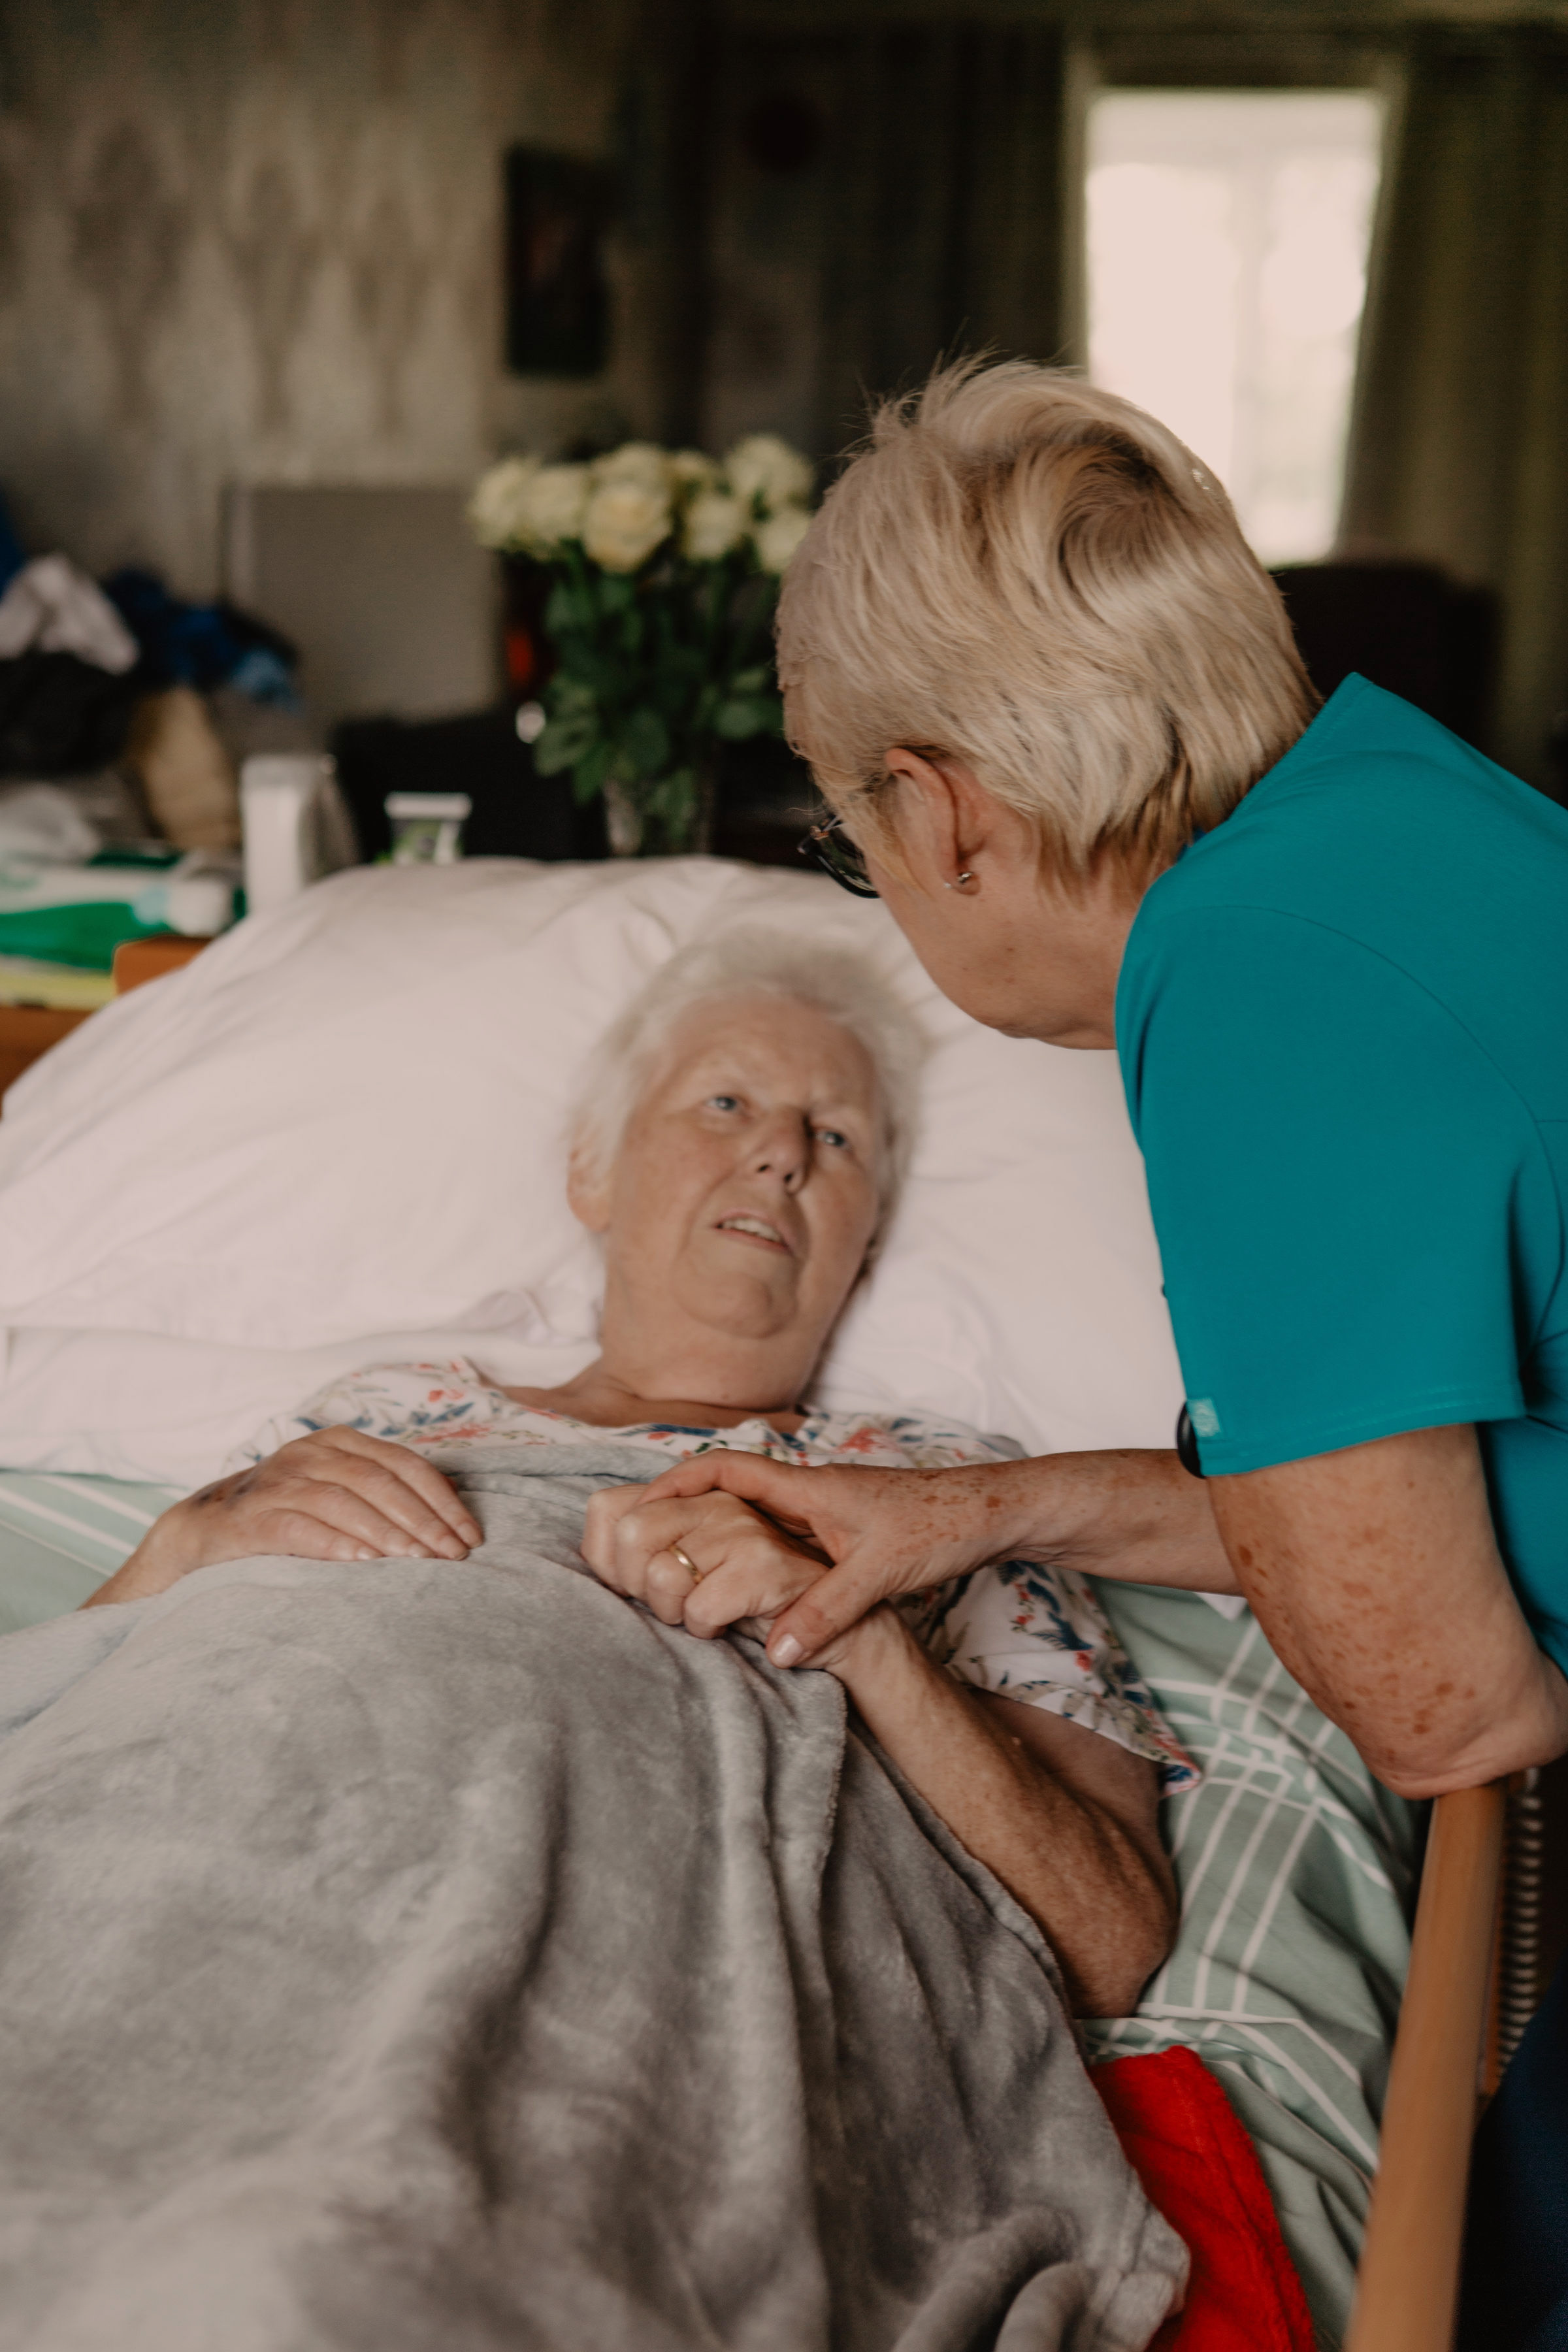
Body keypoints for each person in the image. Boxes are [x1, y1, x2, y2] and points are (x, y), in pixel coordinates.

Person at [580, 365, 1568, 2344]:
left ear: (941, 815)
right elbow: (1366, 1488)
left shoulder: (1249, 983)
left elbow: (1442, 1708)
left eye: (861, 842)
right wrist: (971, 1513)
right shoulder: (1386, 801)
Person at [90, 930, 1184, 2021]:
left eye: (837, 1135)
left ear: (867, 1244)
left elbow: (1107, 1942)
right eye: (725, 1104)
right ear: (592, 1171)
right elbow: (60, 1719)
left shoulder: (945, 1490)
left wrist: (846, 1625)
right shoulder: (375, 1411)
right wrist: (181, 1544)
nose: (782, 1153)